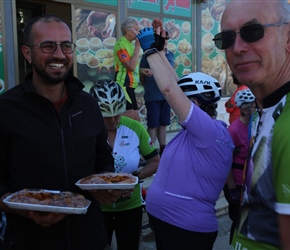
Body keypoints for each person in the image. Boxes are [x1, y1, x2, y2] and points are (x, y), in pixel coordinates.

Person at [0, 14, 124, 250]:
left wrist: (107, 187)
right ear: (27, 53)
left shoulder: (88, 105)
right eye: (47, 46)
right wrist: (23, 208)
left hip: (90, 238)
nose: (59, 54)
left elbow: (104, 162)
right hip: (29, 241)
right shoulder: (6, 109)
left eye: (66, 45)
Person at [136, 26, 234, 250]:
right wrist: (160, 52)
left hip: (187, 230)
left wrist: (149, 51)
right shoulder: (199, 131)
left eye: (187, 101)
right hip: (169, 225)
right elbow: (177, 84)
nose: (178, 107)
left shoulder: (210, 132)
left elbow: (171, 90)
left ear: (196, 104)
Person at [213, 0, 290, 249]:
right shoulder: (263, 109)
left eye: (253, 31)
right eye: (226, 38)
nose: (237, 47)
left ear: (288, 38)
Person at [90, 79, 160, 250]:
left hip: (130, 205)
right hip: (98, 208)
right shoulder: (87, 130)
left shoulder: (135, 128)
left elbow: (155, 162)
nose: (113, 120)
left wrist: (133, 178)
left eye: (117, 113)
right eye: (106, 116)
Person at [223, 89, 256, 244]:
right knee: (238, 221)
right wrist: (232, 188)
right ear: (243, 109)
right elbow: (226, 161)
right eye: (251, 106)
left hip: (249, 180)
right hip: (236, 182)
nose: (254, 108)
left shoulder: (254, 124)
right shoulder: (234, 130)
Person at [140, 32, 174, 156]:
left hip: (167, 95)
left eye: (166, 38)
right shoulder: (148, 55)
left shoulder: (171, 55)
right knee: (153, 125)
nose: (164, 40)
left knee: (164, 124)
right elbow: (140, 72)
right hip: (152, 95)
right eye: (161, 38)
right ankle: (151, 153)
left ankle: (163, 151)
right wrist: (147, 84)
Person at [114, 17, 141, 121]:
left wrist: (143, 71)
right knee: (130, 119)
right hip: (123, 85)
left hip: (131, 86)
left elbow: (134, 66)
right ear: (128, 31)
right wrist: (138, 47)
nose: (138, 32)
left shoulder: (129, 44)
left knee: (137, 120)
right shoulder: (121, 44)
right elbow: (130, 66)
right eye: (136, 29)